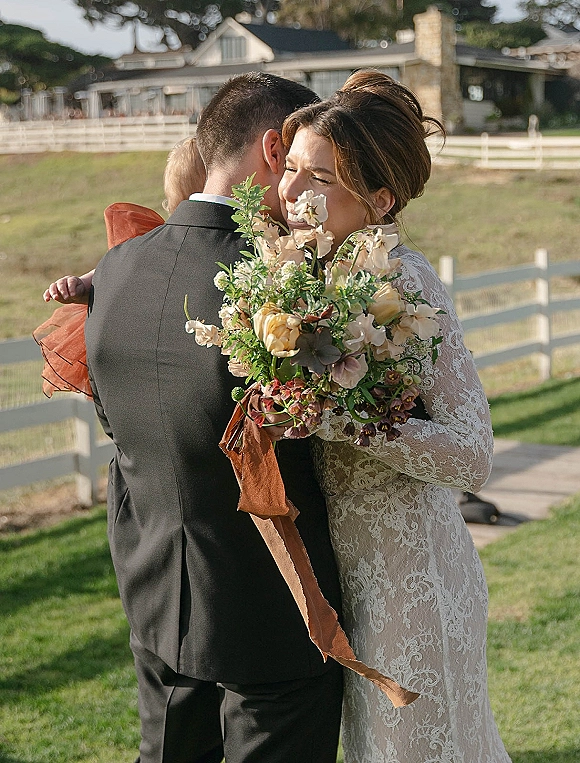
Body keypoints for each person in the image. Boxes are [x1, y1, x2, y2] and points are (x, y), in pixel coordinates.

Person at [84, 73, 343, 763]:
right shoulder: (287, 284)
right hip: (276, 610)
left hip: (154, 593)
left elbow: (118, 421)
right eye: (303, 162)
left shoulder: (114, 271)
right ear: (270, 150)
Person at [276, 70, 511, 762]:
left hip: (417, 584)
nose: (291, 191)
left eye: (321, 179)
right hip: (355, 581)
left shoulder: (405, 282)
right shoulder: (307, 274)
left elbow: (473, 452)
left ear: (379, 200)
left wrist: (344, 418)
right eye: (291, 168)